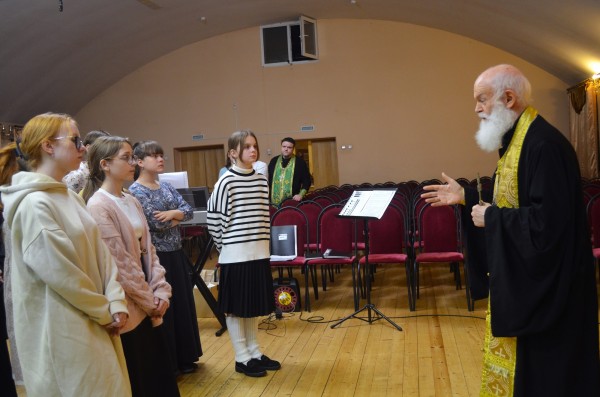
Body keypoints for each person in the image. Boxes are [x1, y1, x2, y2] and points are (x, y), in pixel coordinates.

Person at [421, 64, 600, 396]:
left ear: (508, 97)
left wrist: (492, 219)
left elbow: (550, 227)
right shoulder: (519, 141)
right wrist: (468, 198)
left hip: (553, 298)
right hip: (532, 288)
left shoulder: (543, 145)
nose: (476, 109)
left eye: (482, 99)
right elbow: (514, 205)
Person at [0, 113, 131, 396]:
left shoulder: (69, 196)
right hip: (65, 329)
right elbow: (62, 274)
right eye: (75, 140)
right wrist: (104, 310)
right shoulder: (34, 204)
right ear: (48, 146)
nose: (83, 148)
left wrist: (116, 301)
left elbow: (102, 255)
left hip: (95, 317)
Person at [83, 136, 180, 397]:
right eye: (126, 158)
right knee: (140, 378)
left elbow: (150, 252)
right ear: (105, 164)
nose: (132, 163)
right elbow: (120, 266)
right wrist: (151, 301)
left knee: (159, 376)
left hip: (148, 298)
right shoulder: (98, 205)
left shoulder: (129, 198)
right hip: (130, 304)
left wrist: (161, 290)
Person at [207, 130, 280, 377]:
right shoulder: (226, 181)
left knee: (252, 306)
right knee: (237, 308)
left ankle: (255, 353)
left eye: (254, 146)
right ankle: (241, 357)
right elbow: (214, 220)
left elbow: (263, 216)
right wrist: (226, 247)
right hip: (235, 256)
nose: (253, 150)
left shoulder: (261, 179)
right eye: (246, 146)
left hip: (259, 253)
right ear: (233, 153)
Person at [129, 140, 202, 375]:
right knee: (165, 308)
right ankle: (169, 361)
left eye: (161, 155)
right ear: (140, 162)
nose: (160, 159)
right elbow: (154, 224)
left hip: (176, 253)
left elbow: (189, 211)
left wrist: (173, 214)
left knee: (182, 305)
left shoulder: (167, 186)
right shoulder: (135, 192)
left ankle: (185, 357)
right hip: (156, 258)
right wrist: (177, 217)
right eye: (154, 156)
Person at [267, 137, 311, 206]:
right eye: (284, 146)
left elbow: (307, 181)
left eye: (289, 147)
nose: (286, 149)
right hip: (273, 203)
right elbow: (269, 180)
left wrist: (300, 195)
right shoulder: (273, 161)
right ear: (281, 147)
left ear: (293, 149)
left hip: (292, 203)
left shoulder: (300, 162)